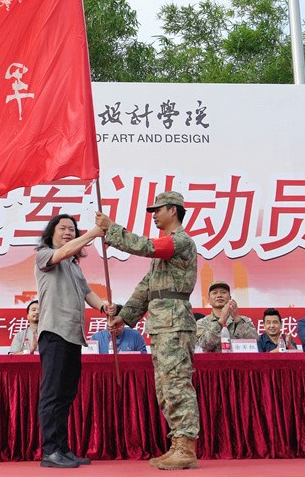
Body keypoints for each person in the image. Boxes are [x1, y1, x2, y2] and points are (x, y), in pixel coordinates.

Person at [97, 191, 200, 471]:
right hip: (163, 324)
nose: (154, 215)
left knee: (176, 384)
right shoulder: (164, 250)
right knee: (165, 386)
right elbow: (146, 288)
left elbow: (148, 247)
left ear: (173, 210)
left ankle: (186, 447)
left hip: (175, 323)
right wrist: (124, 317)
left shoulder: (180, 241)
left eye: (158, 210)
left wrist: (112, 229)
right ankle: (177, 444)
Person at [35, 214, 109, 469]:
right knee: (52, 394)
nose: (68, 232)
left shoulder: (74, 266)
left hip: (73, 335)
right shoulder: (44, 255)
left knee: (66, 395)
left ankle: (62, 449)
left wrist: (104, 307)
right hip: (54, 333)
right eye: (63, 228)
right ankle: (50, 451)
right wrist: (93, 234)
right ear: (51, 233)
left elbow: (88, 293)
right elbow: (63, 252)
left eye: (72, 229)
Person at [195, 281, 259, 352]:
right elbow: (202, 345)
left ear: (230, 298)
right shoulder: (201, 323)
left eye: (223, 292)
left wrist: (237, 319)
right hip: (213, 359)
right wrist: (221, 321)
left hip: (238, 359)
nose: (219, 295)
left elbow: (254, 341)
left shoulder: (243, 320)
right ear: (209, 300)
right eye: (215, 293)